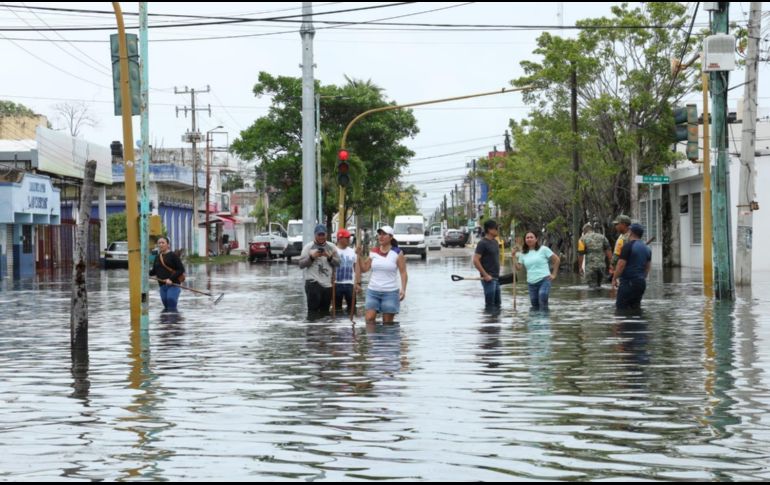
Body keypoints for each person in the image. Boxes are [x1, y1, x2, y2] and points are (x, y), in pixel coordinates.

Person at [358, 225, 407, 324]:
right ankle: (373, 339)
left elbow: (403, 272)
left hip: (390, 292)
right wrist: (359, 256)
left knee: (387, 323)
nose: (381, 236)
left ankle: (386, 339)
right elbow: (364, 269)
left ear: (391, 237)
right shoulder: (374, 251)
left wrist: (403, 289)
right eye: (379, 234)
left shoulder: (397, 253)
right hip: (373, 291)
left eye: (384, 234)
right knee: (369, 319)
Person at [298, 224, 340, 318]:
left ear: (326, 234)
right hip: (313, 283)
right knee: (313, 313)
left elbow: (338, 263)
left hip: (327, 285)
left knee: (325, 314)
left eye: (323, 234)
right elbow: (301, 264)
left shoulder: (332, 247)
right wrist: (312, 257)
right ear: (315, 235)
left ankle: (324, 332)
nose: (321, 237)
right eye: (319, 235)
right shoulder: (308, 247)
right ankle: (313, 331)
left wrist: (329, 257)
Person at [512, 231, 560, 311]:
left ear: (536, 239)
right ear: (525, 240)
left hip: (544, 280)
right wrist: (513, 256)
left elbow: (557, 260)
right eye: (527, 238)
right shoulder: (523, 253)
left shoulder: (543, 249)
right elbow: (518, 268)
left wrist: (554, 274)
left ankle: (544, 321)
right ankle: (535, 322)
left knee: (542, 296)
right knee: (534, 306)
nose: (529, 239)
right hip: (531, 283)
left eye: (531, 237)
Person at [612, 223, 652, 310]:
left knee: (621, 310)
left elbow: (621, 265)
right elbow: (647, 267)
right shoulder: (647, 249)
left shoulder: (628, 246)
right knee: (635, 308)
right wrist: (641, 278)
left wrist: (614, 278)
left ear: (631, 232)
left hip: (628, 283)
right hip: (641, 283)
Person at [149, 236, 186, 312]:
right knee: (166, 308)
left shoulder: (173, 256)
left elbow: (181, 269)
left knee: (171, 307)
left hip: (173, 285)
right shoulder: (157, 257)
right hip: (162, 286)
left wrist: (170, 279)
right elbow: (154, 271)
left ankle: (174, 322)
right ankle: (166, 323)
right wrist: (144, 273)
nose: (161, 245)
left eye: (163, 243)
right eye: (159, 243)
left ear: (168, 245)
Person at [473, 219, 503, 309]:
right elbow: (475, 260)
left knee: (498, 305)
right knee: (490, 306)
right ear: (490, 230)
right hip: (488, 280)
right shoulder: (482, 243)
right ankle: (489, 322)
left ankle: (495, 323)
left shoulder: (495, 242)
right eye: (496, 228)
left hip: (496, 278)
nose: (497, 230)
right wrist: (485, 275)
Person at [577, 223, 612, 288]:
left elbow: (580, 254)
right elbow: (608, 251)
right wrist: (611, 265)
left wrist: (580, 268)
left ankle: (593, 298)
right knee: (599, 286)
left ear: (584, 231)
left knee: (592, 288)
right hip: (602, 266)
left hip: (590, 268)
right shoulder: (602, 237)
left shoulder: (582, 239)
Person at [334, 228, 360, 314]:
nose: (349, 239)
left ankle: (351, 325)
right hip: (336, 284)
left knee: (352, 308)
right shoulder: (333, 251)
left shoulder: (353, 252)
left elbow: (356, 267)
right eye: (347, 238)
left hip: (350, 284)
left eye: (349, 237)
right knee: (337, 309)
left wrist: (357, 283)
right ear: (340, 238)